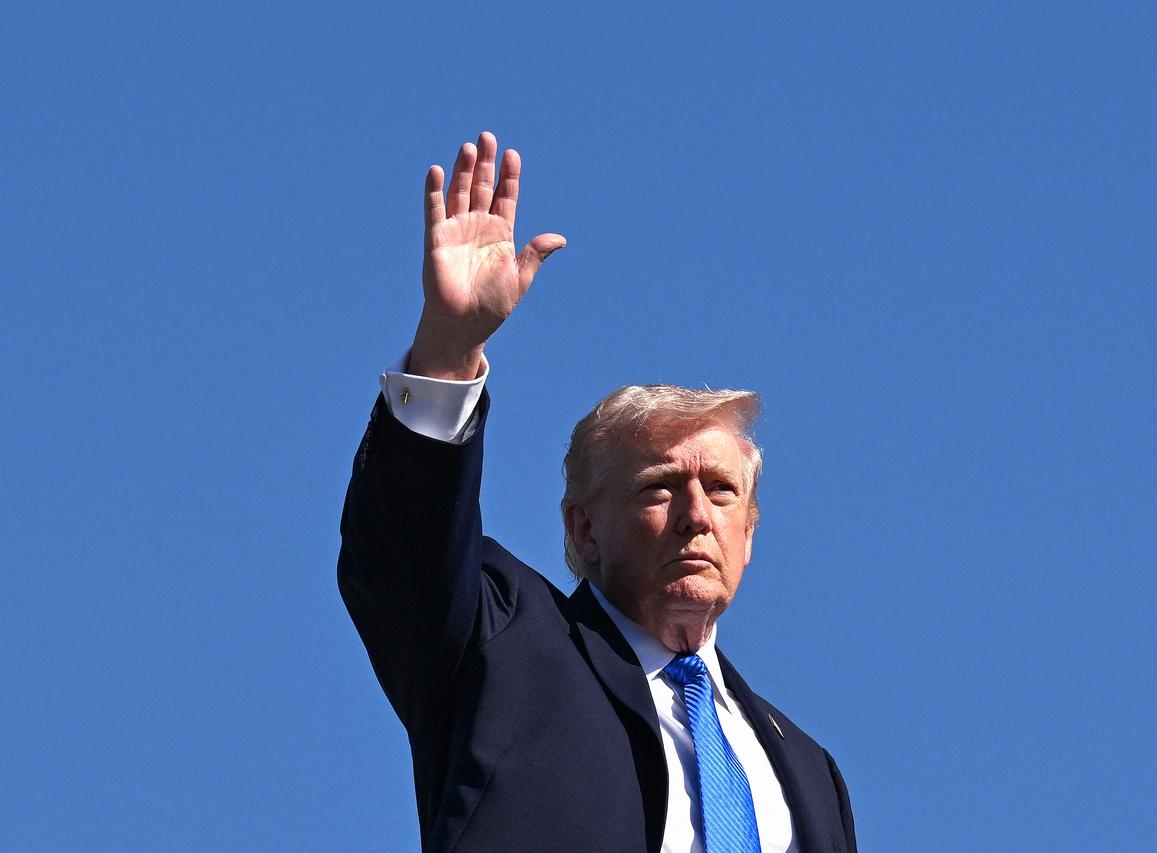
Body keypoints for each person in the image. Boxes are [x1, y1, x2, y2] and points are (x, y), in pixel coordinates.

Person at [339, 131, 858, 853]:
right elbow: (406, 554)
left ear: (749, 532)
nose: (696, 516)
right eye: (660, 489)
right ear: (584, 530)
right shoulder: (502, 644)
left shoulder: (809, 770)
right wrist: (447, 352)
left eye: (721, 490)